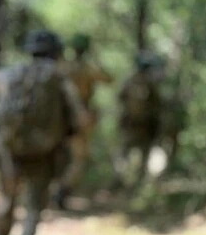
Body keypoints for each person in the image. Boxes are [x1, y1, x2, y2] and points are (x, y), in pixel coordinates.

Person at [0, 29, 86, 235]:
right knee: (33, 212)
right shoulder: (60, 78)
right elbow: (81, 119)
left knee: (8, 201)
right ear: (57, 52)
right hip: (42, 154)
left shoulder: (12, 73)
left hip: (11, 150)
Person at [53, 33, 113, 209]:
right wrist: (96, 58)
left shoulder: (63, 66)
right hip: (79, 119)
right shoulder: (87, 68)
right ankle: (61, 192)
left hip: (59, 119)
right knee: (79, 159)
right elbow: (109, 79)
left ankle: (54, 191)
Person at [115, 50, 162, 190]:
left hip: (141, 125)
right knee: (129, 153)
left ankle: (131, 183)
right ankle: (125, 182)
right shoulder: (144, 82)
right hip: (135, 124)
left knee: (133, 153)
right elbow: (157, 104)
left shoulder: (134, 81)